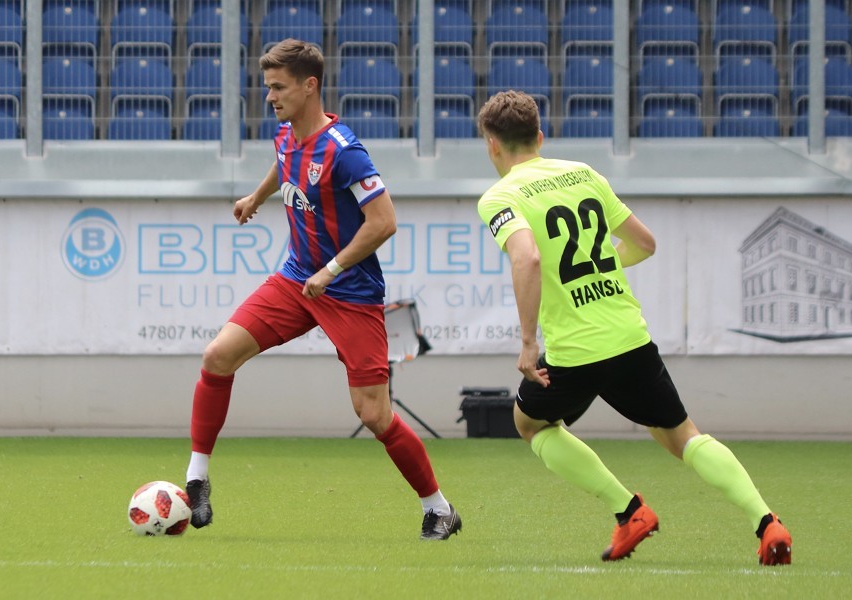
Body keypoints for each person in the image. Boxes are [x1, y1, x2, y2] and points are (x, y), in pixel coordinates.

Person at [475, 90, 791, 565]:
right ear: (540, 137)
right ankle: (768, 523)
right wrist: (604, 272)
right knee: (682, 436)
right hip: (630, 336)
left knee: (529, 423)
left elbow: (528, 257)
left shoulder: (500, 196)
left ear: (492, 145)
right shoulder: (584, 174)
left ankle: (629, 511)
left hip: (575, 352)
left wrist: (526, 344)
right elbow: (644, 243)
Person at [183, 39, 462, 541]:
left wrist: (331, 269)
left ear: (310, 86)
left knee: (374, 414)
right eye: (267, 87)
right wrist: (257, 196)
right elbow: (284, 163)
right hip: (296, 280)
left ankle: (439, 508)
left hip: (349, 291)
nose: (269, 97)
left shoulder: (345, 152)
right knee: (217, 356)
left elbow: (384, 222)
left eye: (278, 87)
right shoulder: (286, 134)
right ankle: (196, 480)